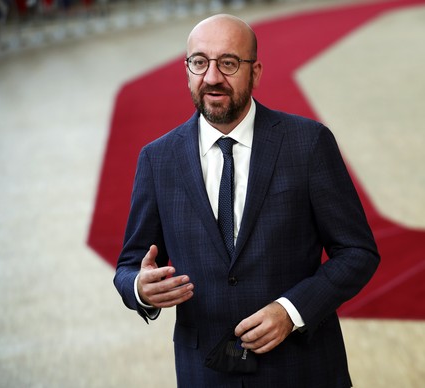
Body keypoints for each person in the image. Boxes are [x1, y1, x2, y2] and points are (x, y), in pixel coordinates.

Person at [114, 13, 380, 388]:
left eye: (228, 63)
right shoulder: (158, 160)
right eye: (199, 62)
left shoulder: (308, 143)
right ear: (187, 70)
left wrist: (291, 311)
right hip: (205, 374)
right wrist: (141, 289)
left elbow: (357, 251)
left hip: (302, 369)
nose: (212, 77)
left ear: (255, 72)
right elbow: (128, 265)